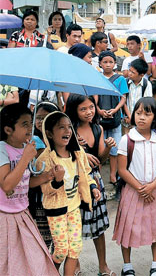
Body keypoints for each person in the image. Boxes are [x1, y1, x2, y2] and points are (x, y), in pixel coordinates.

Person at [113, 97, 156, 276]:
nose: (141, 117)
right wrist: (141, 188)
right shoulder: (127, 140)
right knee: (128, 228)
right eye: (138, 113)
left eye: (147, 114)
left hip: (154, 190)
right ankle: (127, 266)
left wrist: (153, 185)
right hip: (133, 191)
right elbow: (122, 170)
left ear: (155, 117)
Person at [36, 111, 101, 275]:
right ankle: (50, 273)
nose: (67, 131)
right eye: (61, 128)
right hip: (56, 210)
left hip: (73, 208)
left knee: (75, 249)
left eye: (69, 127)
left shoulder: (77, 152)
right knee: (61, 250)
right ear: (49, 133)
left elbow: (85, 174)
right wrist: (56, 180)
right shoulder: (44, 160)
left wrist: (92, 187)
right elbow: (45, 190)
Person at [0, 104, 58, 276]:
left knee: (35, 260)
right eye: (24, 124)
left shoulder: (26, 149)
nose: (30, 127)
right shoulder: (2, 149)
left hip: (23, 214)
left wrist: (46, 176)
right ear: (8, 129)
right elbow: (7, 185)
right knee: (6, 263)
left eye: (30, 122)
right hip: (4, 216)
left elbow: (26, 183)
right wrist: (25, 158)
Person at [65, 95, 116, 276]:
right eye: (83, 109)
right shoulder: (68, 130)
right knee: (73, 225)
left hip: (95, 181)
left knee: (98, 227)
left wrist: (108, 148)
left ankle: (103, 265)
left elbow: (100, 159)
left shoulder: (98, 128)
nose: (89, 112)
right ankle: (75, 263)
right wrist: (80, 154)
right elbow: (62, 155)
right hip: (74, 181)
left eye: (91, 107)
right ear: (74, 111)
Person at [28, 102, 59, 250]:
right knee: (44, 238)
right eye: (38, 118)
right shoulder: (34, 140)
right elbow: (45, 163)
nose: (41, 121)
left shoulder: (62, 138)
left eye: (46, 117)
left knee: (58, 240)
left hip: (58, 196)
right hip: (40, 197)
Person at [96, 51, 128, 185]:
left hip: (115, 118)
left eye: (110, 62)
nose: (108, 65)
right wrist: (99, 111)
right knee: (100, 148)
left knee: (114, 148)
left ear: (115, 64)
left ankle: (113, 174)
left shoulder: (120, 79)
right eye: (105, 62)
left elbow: (123, 97)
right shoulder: (97, 77)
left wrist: (115, 110)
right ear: (100, 64)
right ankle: (97, 175)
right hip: (100, 116)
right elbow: (94, 97)